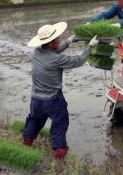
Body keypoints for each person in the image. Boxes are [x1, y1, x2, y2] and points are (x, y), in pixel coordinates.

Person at [22, 22, 99, 161]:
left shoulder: (37, 53)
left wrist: (69, 42)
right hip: (53, 99)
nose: (59, 39)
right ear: (51, 43)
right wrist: (90, 46)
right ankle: (59, 153)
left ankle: (27, 141)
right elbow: (78, 61)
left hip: (36, 98)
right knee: (59, 123)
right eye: (57, 39)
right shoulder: (57, 59)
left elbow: (54, 52)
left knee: (34, 119)